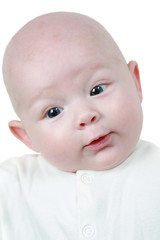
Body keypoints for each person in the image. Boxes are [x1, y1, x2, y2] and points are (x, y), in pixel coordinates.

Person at [0, 12, 160, 240]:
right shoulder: (12, 185)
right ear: (27, 137)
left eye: (98, 89)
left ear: (135, 82)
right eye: (53, 112)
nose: (85, 115)